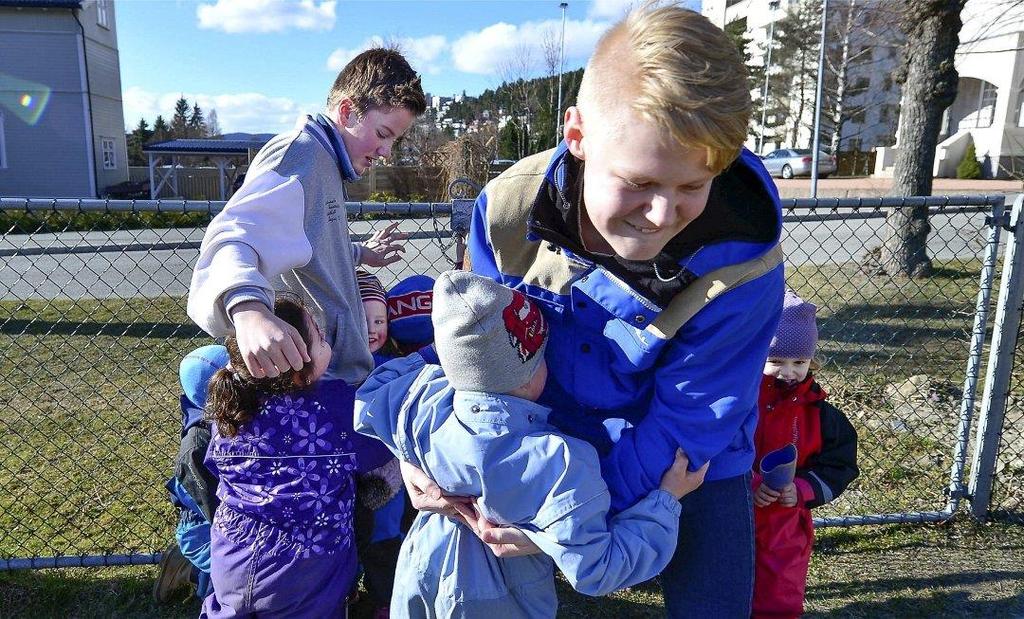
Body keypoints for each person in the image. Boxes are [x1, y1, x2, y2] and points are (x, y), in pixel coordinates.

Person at [402, 5, 786, 615]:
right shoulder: (508, 212)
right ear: (577, 136)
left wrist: (565, 518)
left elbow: (691, 419)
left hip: (686, 461)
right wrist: (419, 455)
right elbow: (473, 353)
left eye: (692, 187)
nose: (662, 214)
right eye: (639, 181)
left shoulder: (745, 265)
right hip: (547, 437)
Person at [355, 271, 707, 617]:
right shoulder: (557, 461)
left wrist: (453, 352)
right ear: (530, 375)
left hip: (421, 568)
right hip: (499, 598)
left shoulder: (422, 404)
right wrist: (665, 501)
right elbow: (599, 569)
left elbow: (375, 389)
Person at [187, 47, 426, 382]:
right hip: (317, 380)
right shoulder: (300, 157)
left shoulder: (327, 163)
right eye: (384, 134)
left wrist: (360, 253)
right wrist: (249, 310)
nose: (386, 151)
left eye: (394, 141)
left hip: (340, 374)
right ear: (347, 112)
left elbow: (309, 245)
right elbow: (233, 235)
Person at [200, 295, 395, 617]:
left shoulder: (232, 405)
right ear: (297, 371)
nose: (326, 340)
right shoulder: (335, 408)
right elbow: (380, 446)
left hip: (232, 553)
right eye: (319, 337)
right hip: (307, 567)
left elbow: (214, 465)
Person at [752, 290, 859, 618]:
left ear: (812, 361)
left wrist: (800, 489)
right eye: (776, 361)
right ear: (755, 357)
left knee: (780, 592)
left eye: (799, 362)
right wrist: (750, 482)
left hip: (786, 523)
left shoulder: (822, 416)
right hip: (733, 511)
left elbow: (838, 465)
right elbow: (719, 449)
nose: (788, 371)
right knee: (724, 584)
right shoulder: (740, 404)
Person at [153, 344, 228, 603]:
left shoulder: (230, 416)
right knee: (227, 573)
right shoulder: (196, 447)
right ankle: (191, 571)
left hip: (223, 513)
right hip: (202, 525)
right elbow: (213, 510)